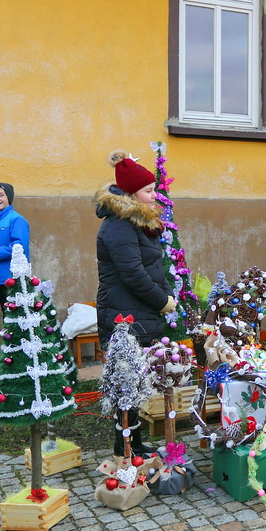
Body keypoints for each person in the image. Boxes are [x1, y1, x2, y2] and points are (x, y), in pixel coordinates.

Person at [95, 150, 176, 456]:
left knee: (136, 379)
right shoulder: (119, 225)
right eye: (149, 191)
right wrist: (161, 301)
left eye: (154, 189)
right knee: (126, 381)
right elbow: (133, 273)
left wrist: (166, 296)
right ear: (131, 194)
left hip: (138, 310)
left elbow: (154, 267)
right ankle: (125, 447)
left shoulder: (137, 222)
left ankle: (134, 443)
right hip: (124, 313)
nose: (155, 196)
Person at [0, 182, 30, 310]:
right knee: (7, 314)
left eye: (1, 195)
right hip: (1, 276)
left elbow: (18, 247)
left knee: (15, 315)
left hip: (13, 276)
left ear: (9, 197)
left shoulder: (16, 219)